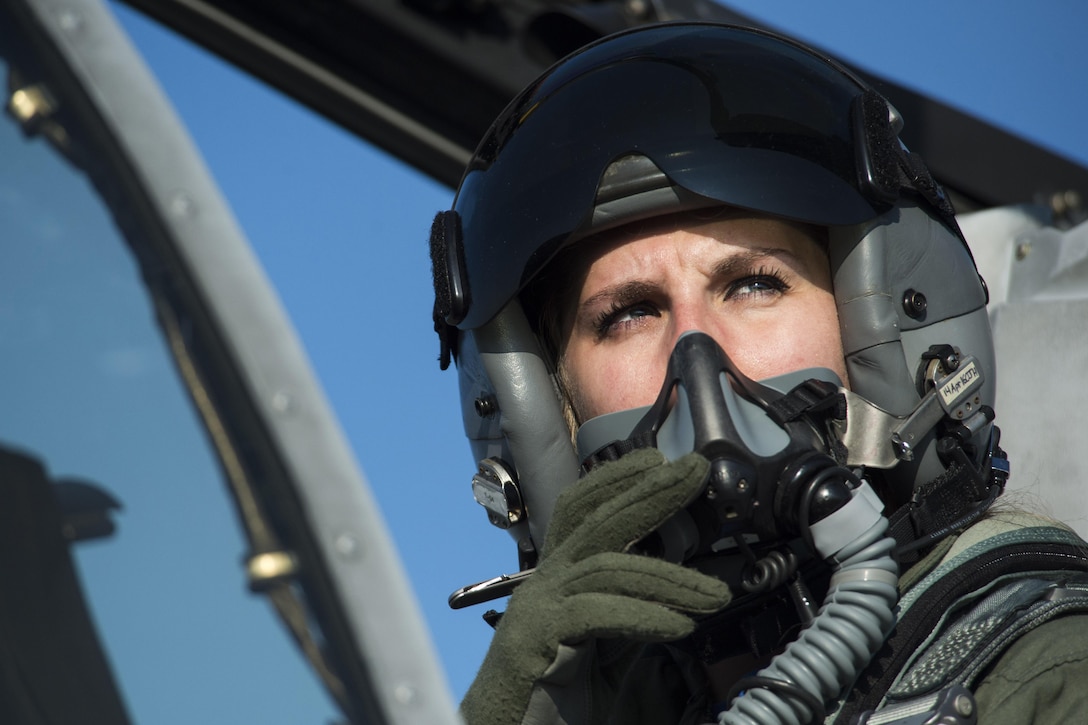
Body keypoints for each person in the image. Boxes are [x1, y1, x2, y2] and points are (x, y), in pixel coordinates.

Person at [428, 22, 1088, 725]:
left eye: (754, 285)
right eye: (629, 314)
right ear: (549, 414)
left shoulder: (1044, 677)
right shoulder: (592, 702)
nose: (697, 356)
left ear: (882, 326)